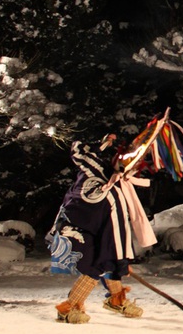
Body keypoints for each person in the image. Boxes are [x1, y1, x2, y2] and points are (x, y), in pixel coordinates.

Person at [47, 135, 156, 324]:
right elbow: (79, 152)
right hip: (78, 229)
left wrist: (118, 258)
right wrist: (103, 143)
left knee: (107, 261)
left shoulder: (111, 185)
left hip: (92, 231)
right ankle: (69, 308)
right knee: (96, 265)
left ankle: (116, 299)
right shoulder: (99, 180)